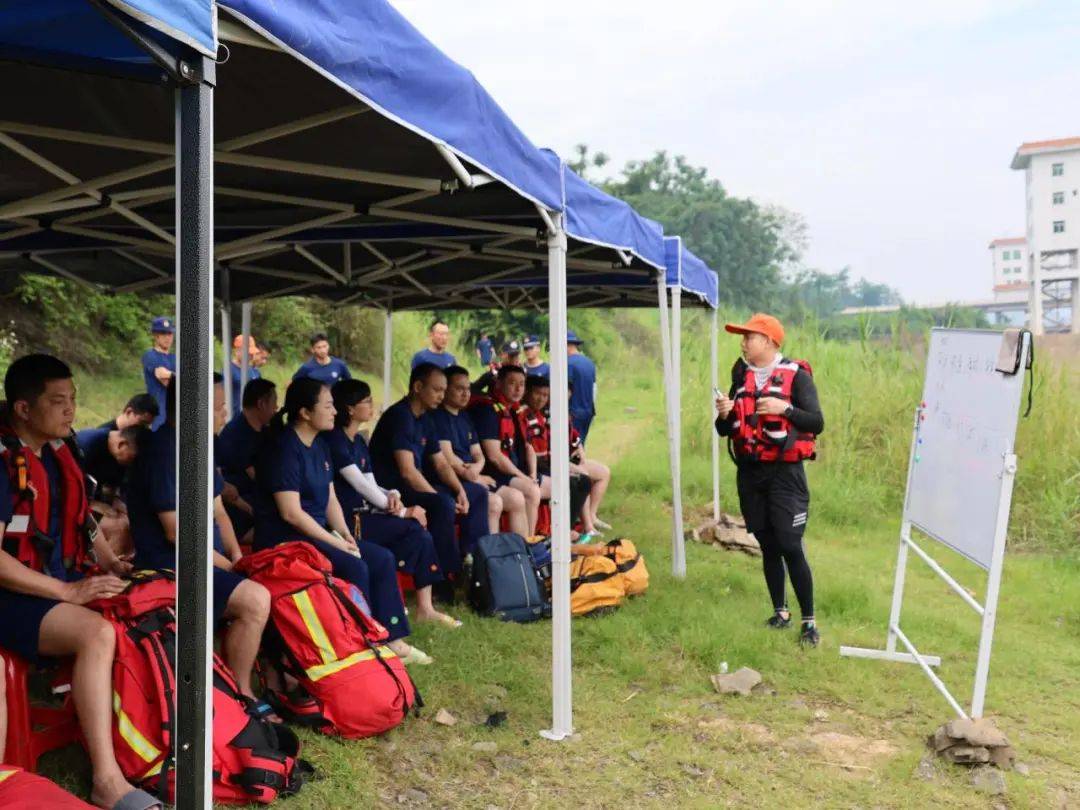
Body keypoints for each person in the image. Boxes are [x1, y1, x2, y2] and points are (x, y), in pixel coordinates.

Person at [0, 354, 161, 809]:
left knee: (145, 606)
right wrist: (68, 592)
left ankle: (152, 748)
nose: (70, 410)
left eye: (72, 399)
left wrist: (111, 564)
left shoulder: (63, 450)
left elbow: (80, 519)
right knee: (97, 633)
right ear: (23, 409)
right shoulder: (3, 463)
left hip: (58, 581)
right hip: (12, 595)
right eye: (57, 401)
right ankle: (107, 781)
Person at [253, 378, 431, 665]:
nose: (335, 411)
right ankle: (363, 645)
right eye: (327, 406)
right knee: (355, 565)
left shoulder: (320, 445)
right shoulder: (284, 449)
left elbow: (330, 498)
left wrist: (346, 536)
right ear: (304, 413)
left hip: (318, 534)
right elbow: (291, 513)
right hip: (286, 540)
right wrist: (335, 541)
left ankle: (393, 639)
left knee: (381, 557)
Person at [128, 374, 275, 715]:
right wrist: (230, 568)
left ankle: (265, 681)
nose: (225, 414)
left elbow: (218, 510)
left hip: (206, 559)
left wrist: (238, 557)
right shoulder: (166, 450)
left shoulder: (200, 444)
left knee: (268, 582)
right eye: (220, 406)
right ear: (193, 408)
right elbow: (177, 533)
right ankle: (240, 694)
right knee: (255, 599)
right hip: (170, 567)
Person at [714, 313, 824, 647]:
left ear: (769, 341)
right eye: (743, 337)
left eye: (749, 337)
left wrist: (783, 408)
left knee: (790, 544)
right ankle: (781, 612)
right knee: (767, 545)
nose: (743, 342)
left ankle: (809, 623)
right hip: (750, 473)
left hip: (785, 474)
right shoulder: (741, 376)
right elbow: (725, 430)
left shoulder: (796, 377)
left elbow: (817, 422)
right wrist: (724, 414)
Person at [327, 379, 460, 628]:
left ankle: (426, 608)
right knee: (409, 530)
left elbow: (371, 482)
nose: (372, 405)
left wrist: (393, 493)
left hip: (366, 514)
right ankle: (404, 607)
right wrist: (403, 512)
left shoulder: (357, 441)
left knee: (418, 533)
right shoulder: (335, 440)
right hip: (348, 522)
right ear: (349, 409)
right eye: (366, 401)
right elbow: (360, 486)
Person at [368, 364, 490, 585]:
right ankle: (446, 576)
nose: (441, 396)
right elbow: (407, 471)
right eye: (437, 390)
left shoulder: (426, 418)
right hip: (392, 490)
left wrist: (459, 490)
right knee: (442, 504)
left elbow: (441, 463)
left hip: (414, 484)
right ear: (417, 386)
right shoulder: (400, 416)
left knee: (477, 493)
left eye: (444, 390)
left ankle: (474, 560)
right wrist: (438, 496)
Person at [433, 366, 529, 537]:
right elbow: (447, 457)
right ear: (445, 389)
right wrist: (473, 475)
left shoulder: (465, 416)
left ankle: (522, 554)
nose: (465, 394)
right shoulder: (438, 417)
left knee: (516, 499)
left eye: (468, 388)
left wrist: (477, 469)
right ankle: (490, 559)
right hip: (452, 479)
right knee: (494, 503)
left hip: (472, 474)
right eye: (459, 389)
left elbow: (478, 454)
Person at [521, 375, 611, 535]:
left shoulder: (558, 413)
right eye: (539, 394)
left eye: (567, 398)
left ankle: (589, 520)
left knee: (598, 473)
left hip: (558, 461)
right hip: (544, 466)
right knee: (578, 478)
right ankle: (569, 529)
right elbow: (536, 451)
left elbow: (574, 438)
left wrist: (580, 454)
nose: (543, 398)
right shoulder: (534, 415)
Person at [468, 365, 545, 536]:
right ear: (499, 383)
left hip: (510, 470)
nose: (518, 388)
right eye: (512, 383)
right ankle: (524, 546)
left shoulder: (514, 410)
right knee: (531, 491)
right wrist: (522, 476)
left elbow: (528, 445)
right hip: (494, 473)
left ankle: (529, 545)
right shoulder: (487, 410)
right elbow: (494, 457)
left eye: (522, 384)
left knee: (542, 487)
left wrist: (531, 475)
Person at [217, 378, 277, 543]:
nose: (276, 408)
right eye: (274, 403)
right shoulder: (236, 435)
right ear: (261, 404)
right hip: (241, 510)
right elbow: (259, 479)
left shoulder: (266, 431)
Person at [75, 423, 144, 556]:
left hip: (90, 500)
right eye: (133, 459)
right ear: (122, 444)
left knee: (129, 522)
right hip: (68, 503)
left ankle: (117, 563)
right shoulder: (84, 445)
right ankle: (109, 566)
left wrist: (123, 509)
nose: (134, 465)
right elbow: (62, 488)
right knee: (117, 527)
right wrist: (93, 504)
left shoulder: (120, 459)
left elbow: (113, 489)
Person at [141, 316, 175, 431]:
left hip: (175, 415)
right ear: (156, 336)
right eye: (163, 334)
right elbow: (164, 379)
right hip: (159, 415)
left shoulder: (175, 358)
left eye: (170, 334)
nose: (167, 338)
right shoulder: (150, 355)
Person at [566, 330, 597, 445]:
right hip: (588, 412)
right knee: (580, 445)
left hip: (573, 413)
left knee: (571, 449)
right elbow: (594, 389)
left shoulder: (568, 363)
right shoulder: (590, 363)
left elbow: (567, 391)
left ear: (567, 346)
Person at [229, 334, 262, 415]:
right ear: (237, 350)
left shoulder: (255, 372)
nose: (251, 355)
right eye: (248, 352)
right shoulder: (229, 371)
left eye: (252, 353)